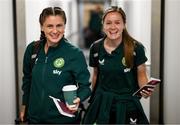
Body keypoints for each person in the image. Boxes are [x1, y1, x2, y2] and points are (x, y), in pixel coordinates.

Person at [82, 6, 154, 124]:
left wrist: (145, 90)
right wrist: (93, 99)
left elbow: (141, 75)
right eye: (108, 23)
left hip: (128, 104)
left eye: (117, 22)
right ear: (103, 25)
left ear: (124, 25)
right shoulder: (95, 48)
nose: (113, 27)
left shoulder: (136, 48)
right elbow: (96, 74)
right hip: (103, 103)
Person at [19, 7, 91, 124]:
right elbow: (27, 80)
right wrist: (24, 106)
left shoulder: (74, 54)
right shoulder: (32, 49)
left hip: (63, 120)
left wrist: (78, 99)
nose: (55, 31)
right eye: (50, 26)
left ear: (64, 26)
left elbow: (85, 87)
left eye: (59, 25)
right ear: (42, 27)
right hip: (34, 119)